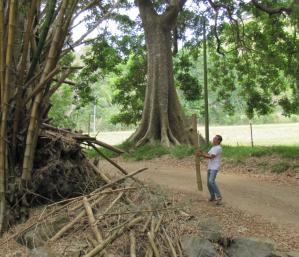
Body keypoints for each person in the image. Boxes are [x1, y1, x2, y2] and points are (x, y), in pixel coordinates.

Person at [196, 135, 223, 205]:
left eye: (215, 138)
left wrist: (201, 155)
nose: (213, 139)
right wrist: (201, 153)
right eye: (214, 138)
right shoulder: (213, 147)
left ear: (218, 141)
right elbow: (208, 154)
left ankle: (219, 197)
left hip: (214, 167)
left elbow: (211, 156)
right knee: (208, 183)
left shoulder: (218, 148)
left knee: (211, 181)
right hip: (210, 167)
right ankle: (213, 196)